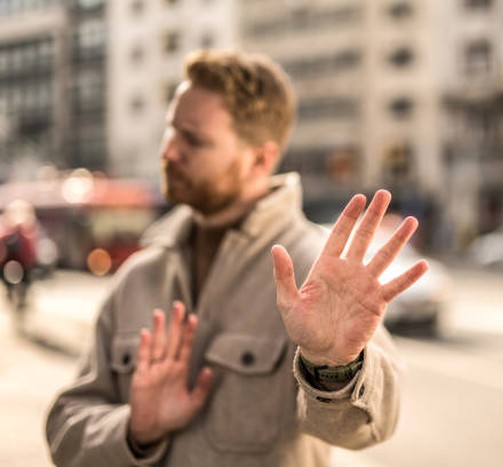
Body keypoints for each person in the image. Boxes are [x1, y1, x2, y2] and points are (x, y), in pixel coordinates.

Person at [45, 49, 428, 466]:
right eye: (171, 130)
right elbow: (65, 429)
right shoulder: (141, 273)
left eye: (193, 139)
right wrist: (136, 429)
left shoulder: (315, 273)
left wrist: (333, 367)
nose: (170, 151)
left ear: (259, 161)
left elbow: (368, 427)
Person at [0, 199, 39, 308]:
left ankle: (22, 296)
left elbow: (30, 247)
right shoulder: (6, 228)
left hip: (23, 260)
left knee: (26, 278)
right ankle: (12, 293)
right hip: (9, 260)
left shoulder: (27, 228)